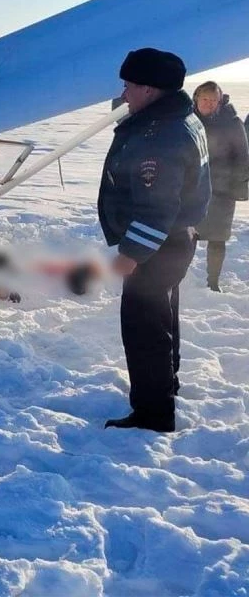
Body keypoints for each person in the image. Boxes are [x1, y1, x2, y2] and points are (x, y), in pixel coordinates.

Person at [98, 48, 210, 433]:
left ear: (149, 89)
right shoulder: (178, 116)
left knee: (143, 327)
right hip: (176, 239)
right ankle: (165, 384)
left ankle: (152, 413)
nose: (124, 93)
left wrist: (131, 254)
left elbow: (156, 208)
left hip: (158, 244)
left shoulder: (160, 137)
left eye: (129, 85)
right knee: (163, 317)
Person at [192, 83, 249, 291]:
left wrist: (238, 188)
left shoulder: (232, 123)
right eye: (204, 100)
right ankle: (179, 277)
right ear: (196, 98)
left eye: (213, 100)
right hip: (191, 189)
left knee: (217, 238)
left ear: (219, 101)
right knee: (187, 234)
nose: (208, 104)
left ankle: (213, 282)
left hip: (222, 190)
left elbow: (243, 158)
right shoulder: (186, 120)